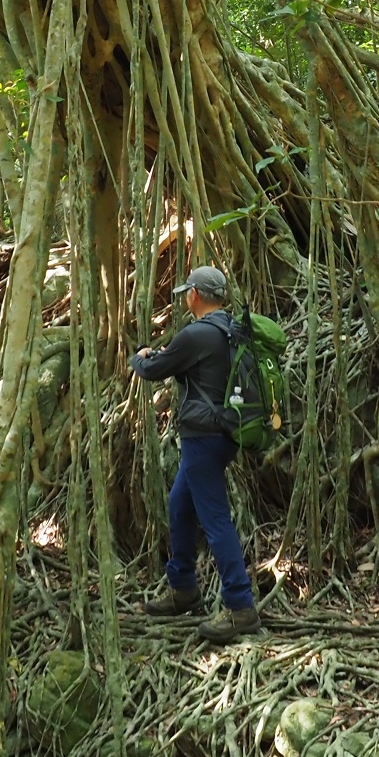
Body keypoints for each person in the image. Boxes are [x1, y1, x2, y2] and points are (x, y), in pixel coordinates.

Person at [128, 265, 260, 644]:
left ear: (195, 295)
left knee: (215, 520)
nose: (186, 297)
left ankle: (240, 607)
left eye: (187, 292)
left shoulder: (196, 333)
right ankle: (183, 588)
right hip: (224, 433)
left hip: (202, 436)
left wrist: (139, 357)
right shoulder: (233, 328)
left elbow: (154, 369)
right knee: (180, 505)